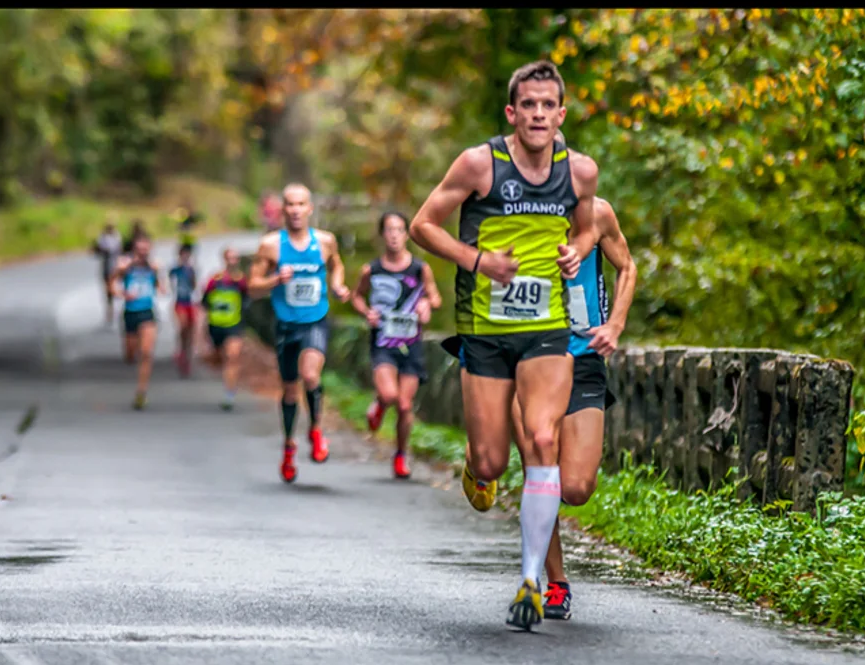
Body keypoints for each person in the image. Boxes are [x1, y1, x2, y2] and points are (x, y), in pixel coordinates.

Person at [408, 60, 601, 632]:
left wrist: (577, 249)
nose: (539, 114)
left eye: (549, 105)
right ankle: (477, 466)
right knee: (492, 459)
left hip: (547, 328)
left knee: (542, 439)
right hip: (486, 329)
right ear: (512, 113)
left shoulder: (580, 172)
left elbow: (589, 226)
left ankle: (531, 582)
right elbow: (423, 225)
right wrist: (478, 261)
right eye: (529, 105)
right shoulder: (479, 164)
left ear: (561, 115)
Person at [443, 153, 638, 620]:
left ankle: (481, 454)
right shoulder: (511, 216)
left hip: (583, 356)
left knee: (577, 487)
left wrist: (615, 324)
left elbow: (627, 267)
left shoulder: (599, 214)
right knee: (540, 461)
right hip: (528, 354)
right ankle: (553, 583)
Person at [247, 182, 350, 483]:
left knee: (311, 376)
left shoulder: (325, 241)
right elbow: (252, 286)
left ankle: (316, 431)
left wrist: (338, 285)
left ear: (310, 208)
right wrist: (274, 280)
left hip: (315, 320)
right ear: (283, 209)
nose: (295, 210)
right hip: (285, 325)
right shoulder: (271, 245)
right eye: (290, 204)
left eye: (300, 204)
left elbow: (337, 266)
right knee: (290, 390)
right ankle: (289, 446)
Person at [350, 211, 442, 479]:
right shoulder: (371, 270)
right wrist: (366, 312)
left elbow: (435, 298)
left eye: (399, 230)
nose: (394, 235)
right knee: (390, 395)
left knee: (404, 405)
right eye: (389, 230)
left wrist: (426, 304)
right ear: (382, 235)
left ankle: (401, 454)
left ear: (406, 235)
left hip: (411, 344)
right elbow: (357, 297)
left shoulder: (419, 268)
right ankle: (380, 404)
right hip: (383, 342)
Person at [109, 231, 167, 410]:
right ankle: (131, 356)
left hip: (147, 312)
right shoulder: (126, 266)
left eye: (145, 249)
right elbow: (111, 284)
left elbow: (161, 288)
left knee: (146, 353)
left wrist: (159, 278)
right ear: (134, 249)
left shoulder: (153, 266)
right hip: (130, 312)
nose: (143, 253)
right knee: (130, 354)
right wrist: (122, 294)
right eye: (139, 249)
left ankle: (141, 392)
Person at [201, 247, 250, 411]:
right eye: (230, 258)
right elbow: (205, 302)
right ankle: (226, 377)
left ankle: (229, 394)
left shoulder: (241, 281)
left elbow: (247, 300)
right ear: (224, 259)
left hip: (234, 325)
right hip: (216, 325)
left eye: (235, 258)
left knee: (232, 356)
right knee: (218, 359)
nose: (232, 261)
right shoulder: (214, 280)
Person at [169, 243, 198, 377]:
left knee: (191, 331)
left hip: (190, 302)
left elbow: (194, 286)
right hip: (179, 301)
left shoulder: (192, 269)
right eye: (183, 254)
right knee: (183, 326)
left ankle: (187, 356)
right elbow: (171, 286)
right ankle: (180, 350)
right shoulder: (175, 270)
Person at [93, 217, 123, 326]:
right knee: (108, 290)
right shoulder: (103, 238)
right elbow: (98, 250)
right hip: (107, 266)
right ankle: (110, 310)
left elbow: (120, 250)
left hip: (115, 266)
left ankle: (117, 309)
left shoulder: (117, 236)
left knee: (116, 287)